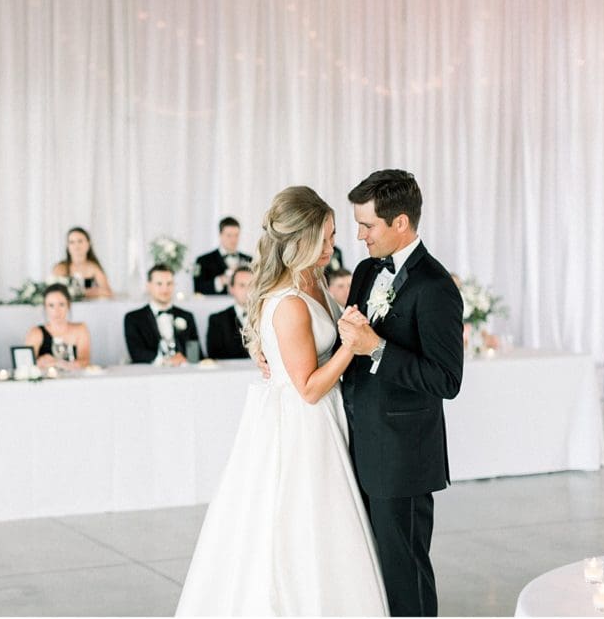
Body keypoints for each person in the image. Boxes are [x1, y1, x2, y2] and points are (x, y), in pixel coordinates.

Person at [177, 186, 388, 615]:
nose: (331, 246)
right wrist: (353, 345)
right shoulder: (289, 301)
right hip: (300, 424)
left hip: (324, 417)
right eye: (323, 238)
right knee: (295, 524)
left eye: (332, 235)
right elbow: (308, 388)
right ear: (299, 240)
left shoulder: (313, 278)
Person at [334, 169, 464, 617]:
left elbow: (446, 380)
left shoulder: (436, 287)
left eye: (367, 225)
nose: (360, 235)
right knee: (368, 567)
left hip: (403, 456)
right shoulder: (367, 270)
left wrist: (378, 348)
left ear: (401, 222)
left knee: (404, 570)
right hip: (357, 441)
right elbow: (348, 341)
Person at [124, 264, 202, 365]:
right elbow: (136, 353)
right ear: (148, 286)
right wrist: (165, 361)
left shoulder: (187, 316)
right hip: (150, 371)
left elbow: (195, 354)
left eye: (169, 283)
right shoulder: (133, 318)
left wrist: (185, 359)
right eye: (159, 284)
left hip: (183, 369)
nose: (165, 289)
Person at [25, 284, 92, 370]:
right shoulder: (36, 333)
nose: (56, 311)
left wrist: (58, 363)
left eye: (61, 304)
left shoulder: (80, 329)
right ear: (45, 308)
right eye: (51, 305)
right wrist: (40, 363)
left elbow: (85, 362)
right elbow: (26, 365)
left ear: (68, 305)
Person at [193, 217, 253, 295]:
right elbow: (198, 289)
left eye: (236, 235)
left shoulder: (250, 259)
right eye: (229, 235)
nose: (233, 239)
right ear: (220, 235)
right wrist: (221, 281)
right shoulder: (203, 260)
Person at [205, 266, 254, 359]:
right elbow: (214, 355)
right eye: (242, 285)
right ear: (231, 289)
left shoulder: (267, 317)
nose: (247, 290)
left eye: (252, 285)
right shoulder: (217, 320)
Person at [50, 227, 113, 299]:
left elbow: (108, 292)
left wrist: (80, 292)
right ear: (68, 246)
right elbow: (54, 293)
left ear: (88, 244)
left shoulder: (93, 268)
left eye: (80, 241)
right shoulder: (60, 268)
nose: (76, 245)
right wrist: (92, 291)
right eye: (72, 242)